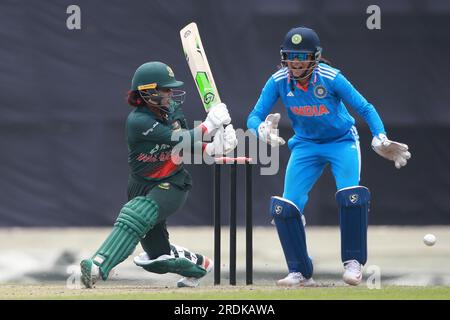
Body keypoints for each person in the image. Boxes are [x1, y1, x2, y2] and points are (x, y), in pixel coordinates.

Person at [247, 27, 411, 286]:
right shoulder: (278, 80)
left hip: (341, 141)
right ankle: (300, 272)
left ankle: (353, 262)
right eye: (290, 55)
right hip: (305, 146)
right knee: (286, 207)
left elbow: (365, 108)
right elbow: (253, 116)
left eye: (301, 57)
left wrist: (379, 135)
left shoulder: (331, 78)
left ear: (315, 57)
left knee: (351, 196)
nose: (295, 62)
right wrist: (261, 129)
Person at [80, 61, 237, 288]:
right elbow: (177, 139)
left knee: (136, 212)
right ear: (148, 92)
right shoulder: (138, 121)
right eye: (165, 89)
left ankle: (98, 266)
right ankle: (198, 266)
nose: (170, 94)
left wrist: (211, 148)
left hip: (172, 183)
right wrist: (209, 125)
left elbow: (182, 140)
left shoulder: (172, 110)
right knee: (156, 258)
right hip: (140, 185)